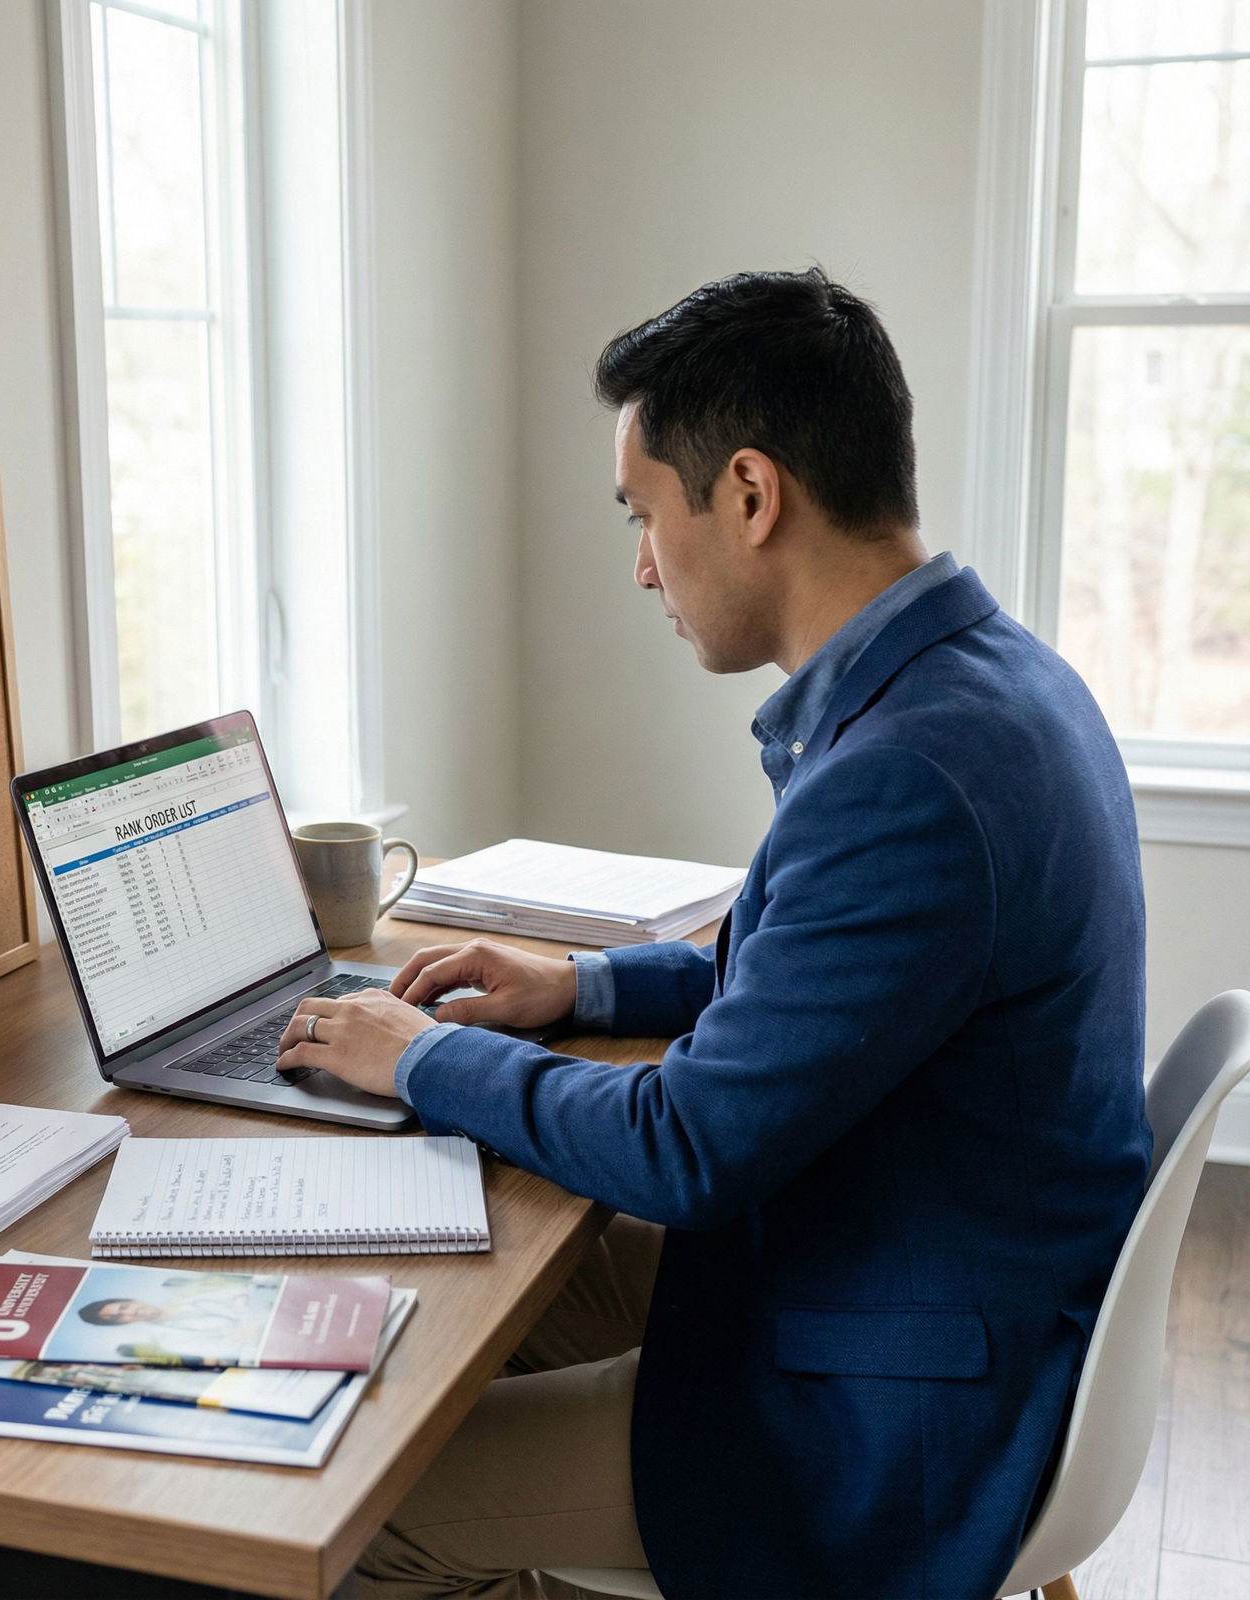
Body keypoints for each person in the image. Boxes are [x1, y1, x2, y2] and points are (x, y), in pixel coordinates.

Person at [277, 268, 1150, 1600]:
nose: (640, 565)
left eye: (643, 513)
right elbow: (825, 981)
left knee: (353, 1511)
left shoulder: (908, 775)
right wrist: (582, 981)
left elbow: (685, 1150)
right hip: (933, 1274)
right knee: (452, 1303)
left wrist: (412, 1057)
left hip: (885, 1402)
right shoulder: (992, 682)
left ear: (748, 495)